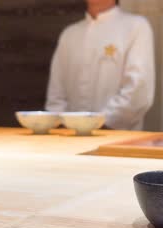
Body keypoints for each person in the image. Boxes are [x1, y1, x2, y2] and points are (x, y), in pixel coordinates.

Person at [45, 0, 155, 130]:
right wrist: (62, 125)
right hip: (69, 140)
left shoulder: (136, 27)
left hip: (116, 139)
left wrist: (101, 124)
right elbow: (56, 95)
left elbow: (138, 91)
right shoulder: (69, 34)